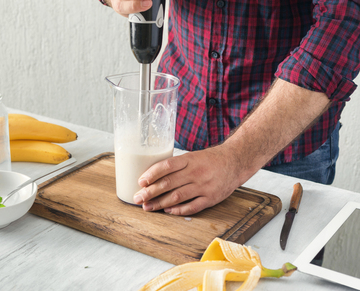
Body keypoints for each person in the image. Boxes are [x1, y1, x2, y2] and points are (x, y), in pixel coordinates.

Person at [99, 0, 360, 215]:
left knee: (278, 273)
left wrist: (236, 159)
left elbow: (345, 24)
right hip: (180, 130)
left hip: (286, 149)